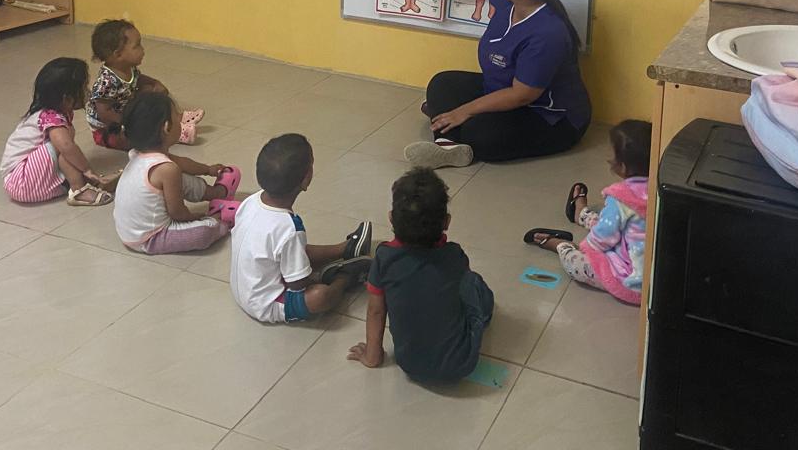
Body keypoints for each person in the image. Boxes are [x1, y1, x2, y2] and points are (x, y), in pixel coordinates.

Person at [405, 0, 592, 167]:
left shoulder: (547, 33)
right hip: (502, 90)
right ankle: (449, 144)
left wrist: (464, 110)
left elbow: (522, 95)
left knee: (481, 133)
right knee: (442, 84)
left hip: (549, 116)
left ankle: (450, 133)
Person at [349, 168, 493, 381]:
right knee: (474, 282)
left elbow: (376, 311)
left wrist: (372, 356)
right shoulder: (455, 255)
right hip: (462, 363)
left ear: (391, 219)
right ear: (447, 222)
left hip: (410, 364)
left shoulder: (385, 257)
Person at [229, 132, 373, 324]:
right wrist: (313, 277)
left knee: (293, 251)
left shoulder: (250, 201)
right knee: (320, 296)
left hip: (244, 289)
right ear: (306, 179)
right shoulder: (289, 227)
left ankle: (346, 248)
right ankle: (345, 277)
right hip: (267, 304)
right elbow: (297, 285)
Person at [523, 120, 650, 305]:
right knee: (617, 222)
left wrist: (587, 247)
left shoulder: (621, 199)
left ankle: (560, 246)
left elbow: (604, 237)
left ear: (622, 166)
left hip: (632, 282)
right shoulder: (662, 189)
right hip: (657, 277)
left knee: (577, 264)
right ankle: (581, 214)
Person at [113, 91, 241, 255]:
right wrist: (197, 217)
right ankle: (219, 218)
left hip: (129, 230)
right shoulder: (167, 169)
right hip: (150, 238)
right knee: (204, 232)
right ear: (167, 127)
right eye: (177, 118)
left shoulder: (138, 154)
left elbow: (184, 164)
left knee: (180, 177)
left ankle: (216, 194)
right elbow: (178, 213)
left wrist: (208, 170)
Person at [0, 57, 116, 206]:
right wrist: (87, 169)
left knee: (64, 145)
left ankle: (82, 181)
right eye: (84, 88)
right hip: (21, 181)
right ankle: (79, 190)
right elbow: (66, 146)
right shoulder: (51, 117)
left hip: (26, 182)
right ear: (67, 99)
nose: (87, 92)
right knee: (64, 147)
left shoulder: (56, 112)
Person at [87, 19, 204, 151]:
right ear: (118, 55)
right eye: (137, 46)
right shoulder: (106, 82)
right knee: (136, 141)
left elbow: (138, 79)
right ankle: (172, 134)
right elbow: (104, 113)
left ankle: (175, 118)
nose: (143, 49)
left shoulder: (128, 67)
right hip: (108, 129)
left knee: (150, 91)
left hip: (126, 107)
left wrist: (154, 83)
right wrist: (131, 123)